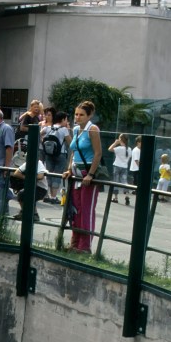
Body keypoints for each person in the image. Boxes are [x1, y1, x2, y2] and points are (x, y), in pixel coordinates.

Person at [62, 100, 103, 253]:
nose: (77, 117)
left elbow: (98, 153)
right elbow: (74, 151)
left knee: (86, 210)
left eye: (81, 115)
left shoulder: (93, 129)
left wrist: (91, 174)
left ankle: (85, 246)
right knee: (76, 210)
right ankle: (74, 243)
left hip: (87, 175)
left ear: (89, 115)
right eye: (76, 114)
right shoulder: (77, 129)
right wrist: (69, 169)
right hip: (76, 174)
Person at [41, 109, 70, 204]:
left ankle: (48, 195)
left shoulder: (48, 128)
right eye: (66, 119)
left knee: (49, 173)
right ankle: (53, 197)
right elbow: (71, 143)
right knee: (57, 174)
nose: (67, 122)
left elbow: (39, 134)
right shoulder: (64, 129)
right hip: (60, 154)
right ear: (63, 119)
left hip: (49, 154)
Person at [10, 157, 47, 222]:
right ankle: (28, 213)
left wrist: (29, 178)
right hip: (31, 185)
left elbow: (40, 176)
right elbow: (16, 173)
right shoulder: (27, 163)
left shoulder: (39, 163)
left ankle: (30, 214)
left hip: (41, 188)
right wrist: (27, 178)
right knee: (22, 195)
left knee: (24, 195)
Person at [108, 133, 131, 203]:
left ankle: (115, 198)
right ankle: (127, 195)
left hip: (117, 166)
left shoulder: (119, 148)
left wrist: (115, 143)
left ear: (121, 140)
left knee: (116, 182)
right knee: (124, 182)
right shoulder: (129, 149)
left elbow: (110, 149)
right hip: (124, 167)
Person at [128, 136, 141, 205]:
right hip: (136, 168)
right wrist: (140, 167)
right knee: (136, 179)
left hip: (137, 168)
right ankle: (134, 190)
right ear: (138, 142)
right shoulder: (136, 150)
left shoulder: (140, 150)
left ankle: (135, 189)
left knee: (137, 179)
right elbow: (136, 160)